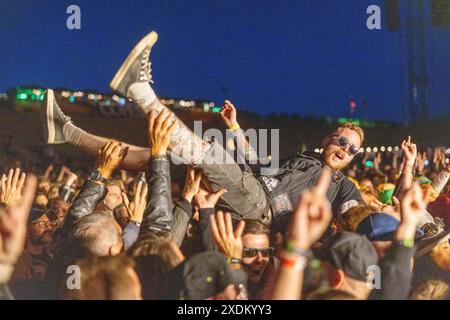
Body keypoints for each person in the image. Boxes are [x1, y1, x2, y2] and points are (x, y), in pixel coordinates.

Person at [41, 30, 364, 230]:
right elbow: (256, 163)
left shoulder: (343, 186)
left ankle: (139, 91)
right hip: (247, 185)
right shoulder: (303, 158)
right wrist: (236, 126)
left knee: (210, 150)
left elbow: (359, 218)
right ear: (328, 139)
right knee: (155, 156)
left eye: (353, 150)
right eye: (343, 142)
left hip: (260, 208)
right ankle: (66, 132)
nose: (345, 150)